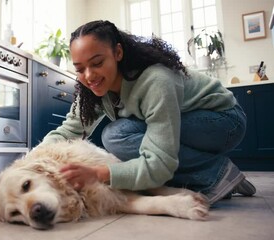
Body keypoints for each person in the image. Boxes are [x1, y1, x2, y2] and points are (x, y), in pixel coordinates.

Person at [39, 20, 256, 204]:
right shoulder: (94, 90)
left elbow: (160, 163)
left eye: (97, 63)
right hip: (195, 122)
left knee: (117, 136)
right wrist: (32, 160)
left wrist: (99, 174)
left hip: (225, 121)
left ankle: (216, 174)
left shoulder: (155, 81)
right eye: (79, 69)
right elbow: (68, 131)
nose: (89, 75)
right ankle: (219, 175)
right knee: (116, 134)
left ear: (118, 53)